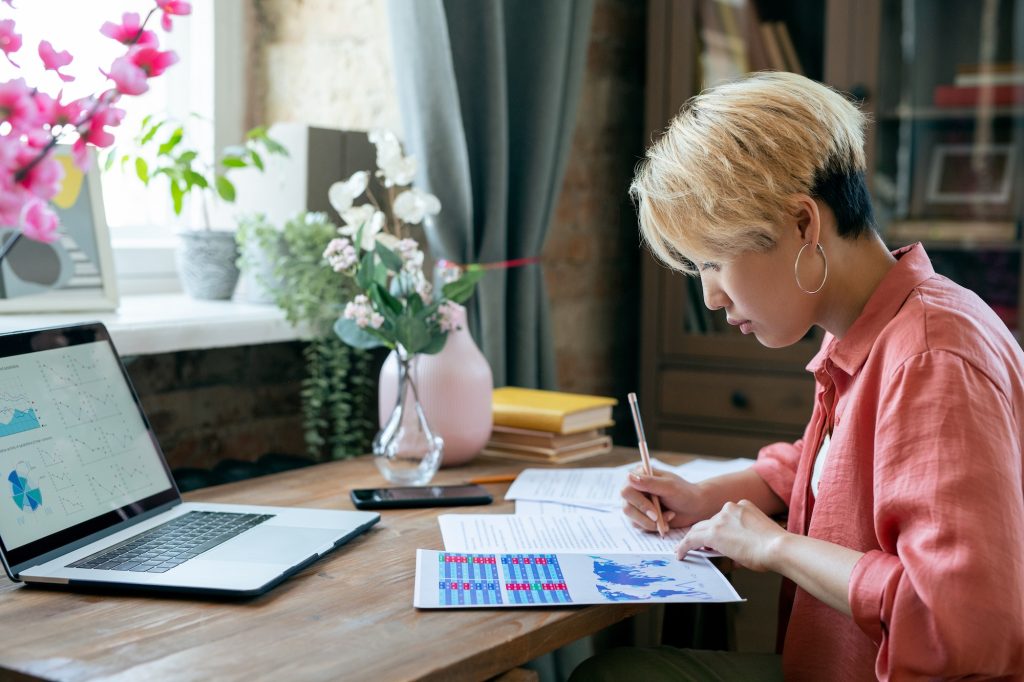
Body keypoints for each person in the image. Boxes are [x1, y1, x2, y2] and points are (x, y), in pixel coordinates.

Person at [571, 72, 1024, 681]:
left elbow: (960, 624)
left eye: (712, 260)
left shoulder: (932, 356)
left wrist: (775, 546)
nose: (708, 297)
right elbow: (839, 465)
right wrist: (710, 496)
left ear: (805, 226)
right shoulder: (873, 324)